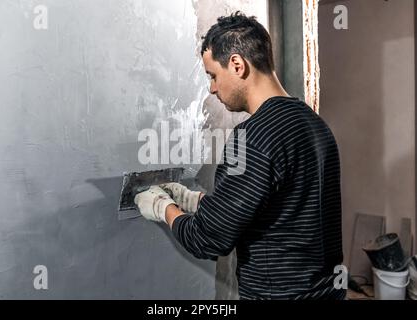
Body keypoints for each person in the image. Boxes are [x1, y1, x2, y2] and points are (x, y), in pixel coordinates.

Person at [134, 11, 345, 300]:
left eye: (213, 75)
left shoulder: (253, 138)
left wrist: (163, 208)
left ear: (237, 65)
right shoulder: (314, 124)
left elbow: (206, 239)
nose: (212, 88)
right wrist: (194, 201)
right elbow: (279, 208)